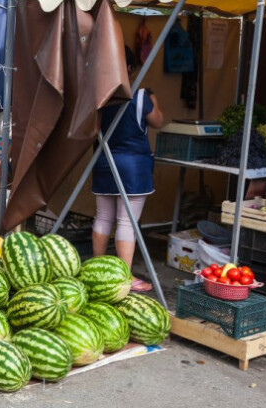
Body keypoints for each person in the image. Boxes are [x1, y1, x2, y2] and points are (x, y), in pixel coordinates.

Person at [92, 46, 164, 292]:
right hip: (133, 166)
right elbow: (158, 122)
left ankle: (97, 270)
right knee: (126, 221)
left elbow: (94, 128)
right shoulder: (141, 95)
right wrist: (152, 101)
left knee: (103, 217)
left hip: (104, 161)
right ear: (131, 68)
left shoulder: (100, 95)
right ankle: (125, 277)